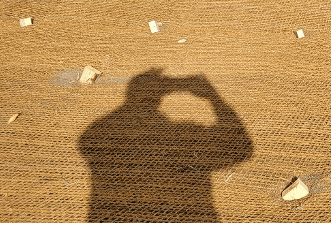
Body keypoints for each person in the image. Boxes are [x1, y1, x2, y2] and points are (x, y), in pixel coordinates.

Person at [79, 69, 253, 222]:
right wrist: (214, 98)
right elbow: (244, 150)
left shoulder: (94, 130)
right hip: (186, 214)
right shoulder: (179, 131)